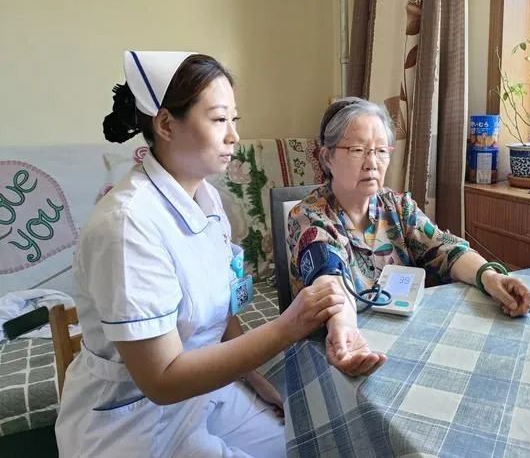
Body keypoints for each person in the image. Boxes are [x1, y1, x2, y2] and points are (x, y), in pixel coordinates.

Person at [55, 51, 345, 458]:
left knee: (311, 443)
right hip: (135, 422)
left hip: (204, 394)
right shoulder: (126, 226)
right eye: (219, 119)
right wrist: (288, 326)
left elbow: (222, 314)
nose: (234, 136)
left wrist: (262, 382)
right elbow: (162, 380)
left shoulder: (207, 202)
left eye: (234, 120)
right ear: (166, 124)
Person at [287, 97, 530, 377]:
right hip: (335, 349)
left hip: (406, 342)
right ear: (327, 157)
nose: (372, 163)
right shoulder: (309, 216)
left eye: (381, 150)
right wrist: (344, 327)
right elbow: (328, 276)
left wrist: (489, 277)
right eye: (357, 150)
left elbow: (445, 247)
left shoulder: (398, 206)